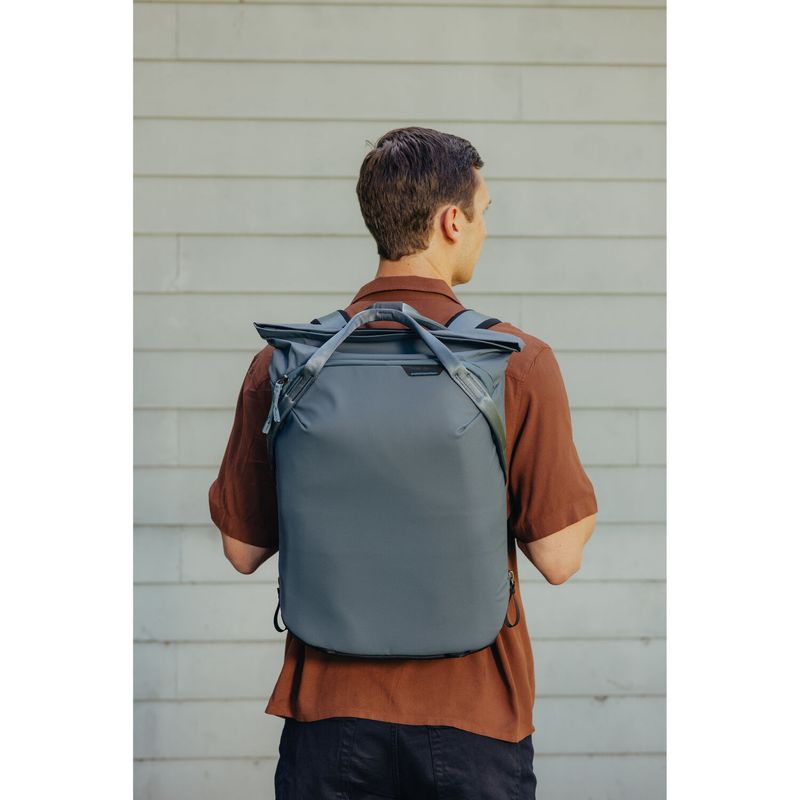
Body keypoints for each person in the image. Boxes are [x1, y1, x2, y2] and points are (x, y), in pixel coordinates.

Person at [209, 127, 598, 799]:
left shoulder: (284, 363)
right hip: (474, 717)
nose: (484, 229)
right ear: (452, 221)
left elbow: (243, 550)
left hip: (327, 717)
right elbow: (559, 558)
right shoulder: (515, 362)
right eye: (484, 211)